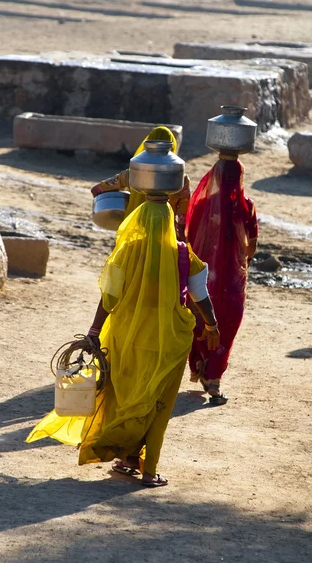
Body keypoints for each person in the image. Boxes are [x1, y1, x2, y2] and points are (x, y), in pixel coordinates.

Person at [26, 193, 219, 487]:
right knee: (158, 403)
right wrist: (212, 324)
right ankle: (148, 469)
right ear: (168, 223)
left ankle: (123, 455)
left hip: (126, 336)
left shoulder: (128, 251)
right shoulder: (182, 254)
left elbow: (109, 296)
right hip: (168, 341)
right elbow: (200, 294)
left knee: (123, 396)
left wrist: (93, 331)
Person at [186, 156, 258, 405]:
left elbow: (189, 238)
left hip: (203, 277)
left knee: (199, 316)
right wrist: (239, 260)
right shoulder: (246, 206)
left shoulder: (202, 204)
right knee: (228, 323)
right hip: (232, 282)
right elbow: (251, 247)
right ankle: (213, 378)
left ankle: (200, 365)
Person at [90, 126, 190, 240]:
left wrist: (123, 202)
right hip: (164, 233)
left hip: (134, 231)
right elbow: (183, 216)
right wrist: (180, 236)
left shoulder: (131, 175)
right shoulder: (182, 180)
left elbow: (97, 189)